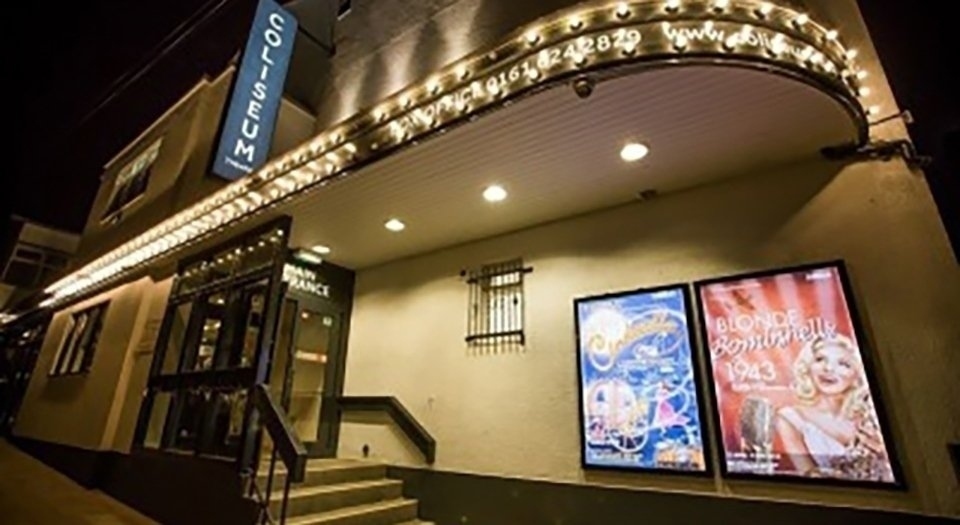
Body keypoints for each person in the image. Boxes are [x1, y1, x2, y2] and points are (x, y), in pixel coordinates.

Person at [773, 334, 893, 481]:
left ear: (856, 376)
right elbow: (808, 476)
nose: (828, 369)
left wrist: (885, 453)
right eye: (820, 359)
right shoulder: (790, 418)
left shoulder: (870, 415)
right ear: (807, 367)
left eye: (843, 364)